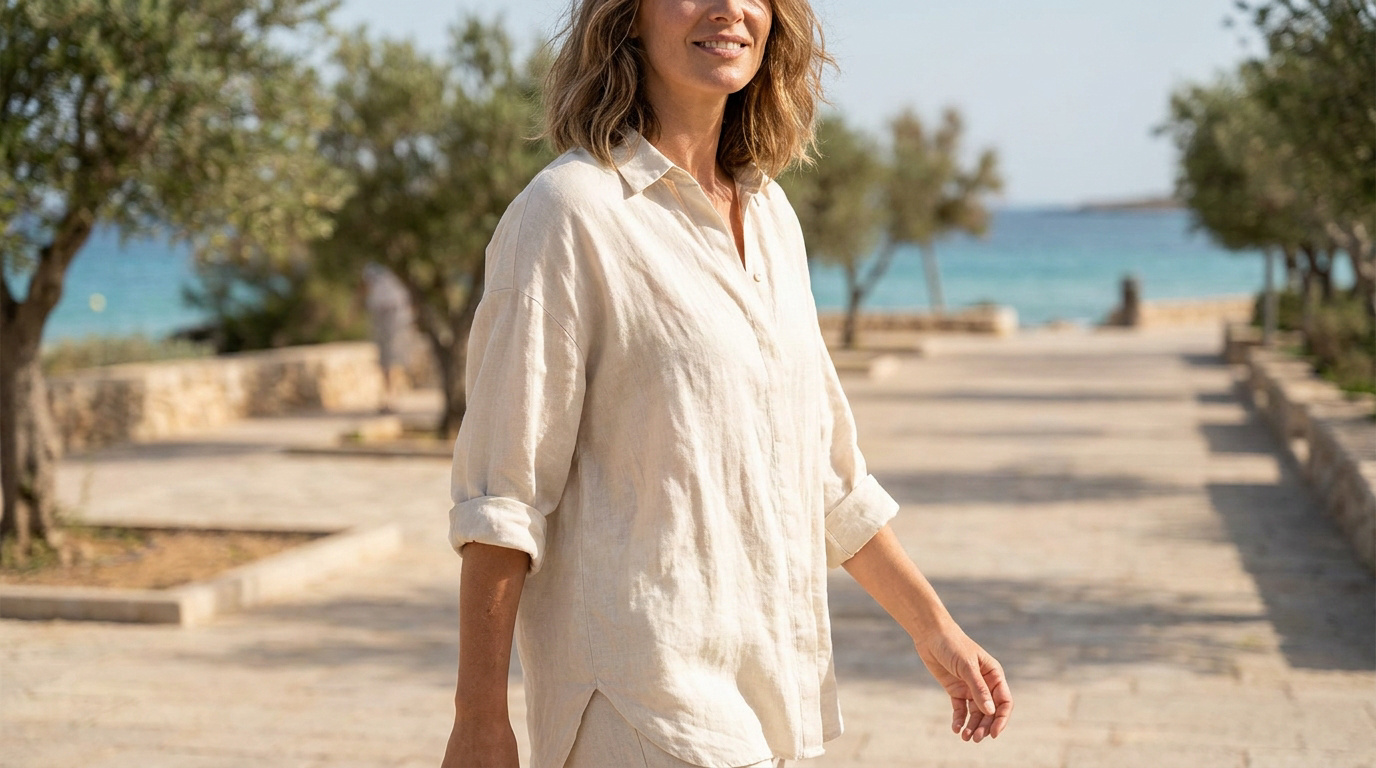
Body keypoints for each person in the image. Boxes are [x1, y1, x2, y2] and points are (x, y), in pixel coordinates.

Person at [443, 1, 1014, 766]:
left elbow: (827, 474)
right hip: (639, 702)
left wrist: (934, 628)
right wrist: (480, 719)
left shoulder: (772, 215)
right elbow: (503, 496)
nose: (728, 8)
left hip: (764, 700)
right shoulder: (570, 212)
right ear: (628, 18)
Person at [361, 262, 413, 414]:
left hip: (396, 317)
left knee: (394, 358)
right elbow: (364, 287)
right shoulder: (370, 265)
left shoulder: (397, 261)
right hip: (380, 317)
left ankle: (392, 397)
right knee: (385, 359)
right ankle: (387, 397)